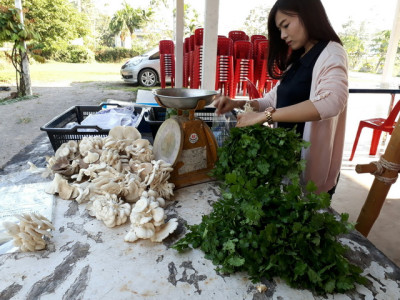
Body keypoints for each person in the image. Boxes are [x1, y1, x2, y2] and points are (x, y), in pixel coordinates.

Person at [213, 0, 348, 196]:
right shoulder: (298, 60)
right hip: (287, 164)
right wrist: (239, 103)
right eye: (279, 29)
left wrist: (265, 117)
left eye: (286, 25)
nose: (283, 35)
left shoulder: (332, 52)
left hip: (311, 169)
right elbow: (270, 100)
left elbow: (332, 102)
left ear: (308, 14)